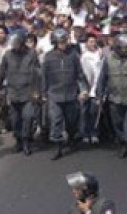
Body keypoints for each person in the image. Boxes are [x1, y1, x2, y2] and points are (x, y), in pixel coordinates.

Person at [96, 34, 127, 161]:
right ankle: (123, 144)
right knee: (117, 123)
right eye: (125, 47)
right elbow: (102, 78)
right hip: (114, 97)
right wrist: (99, 94)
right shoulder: (108, 60)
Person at [41, 28, 87, 160]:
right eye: (60, 42)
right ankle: (57, 145)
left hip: (71, 93)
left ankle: (72, 137)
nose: (63, 44)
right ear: (55, 42)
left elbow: (80, 74)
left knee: (71, 120)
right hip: (54, 93)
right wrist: (43, 93)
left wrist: (83, 89)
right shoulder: (48, 57)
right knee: (56, 120)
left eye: (64, 41)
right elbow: (44, 77)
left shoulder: (73, 55)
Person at [0, 32, 41, 155]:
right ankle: (18, 140)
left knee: (28, 117)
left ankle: (26, 141)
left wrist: (37, 90)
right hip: (13, 91)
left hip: (28, 91)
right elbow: (1, 73)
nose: (15, 48)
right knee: (15, 120)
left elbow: (38, 73)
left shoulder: (31, 54)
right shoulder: (7, 55)